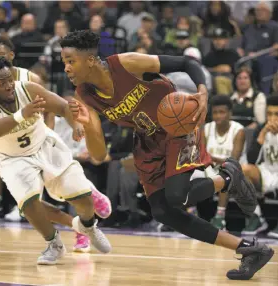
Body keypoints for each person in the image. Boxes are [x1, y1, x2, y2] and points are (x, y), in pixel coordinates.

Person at [60, 30, 274, 280]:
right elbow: (99, 154)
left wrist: (203, 92)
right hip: (147, 140)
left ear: (90, 60)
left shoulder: (126, 64)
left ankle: (227, 177)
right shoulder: (84, 96)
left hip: (179, 125)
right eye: (64, 61)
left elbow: (187, 63)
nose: (65, 68)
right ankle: (249, 250)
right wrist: (88, 125)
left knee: (176, 197)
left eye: (70, 61)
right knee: (163, 211)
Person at [0, 36, 111, 253]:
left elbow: (51, 108)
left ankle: (87, 192)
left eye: (1, 56)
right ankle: (72, 229)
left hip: (38, 138)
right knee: (31, 205)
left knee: (70, 189)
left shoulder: (28, 80)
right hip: (11, 150)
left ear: (11, 56)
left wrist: (68, 127)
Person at [203, 95, 245, 230]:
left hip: (235, 171)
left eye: (222, 112)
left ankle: (220, 217)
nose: (218, 116)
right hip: (210, 168)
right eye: (215, 112)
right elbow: (201, 155)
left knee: (225, 174)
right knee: (187, 173)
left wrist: (213, 159)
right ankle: (190, 212)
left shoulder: (238, 130)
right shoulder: (207, 128)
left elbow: (233, 161)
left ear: (230, 114)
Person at [241, 96, 278, 238]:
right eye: (269, 114)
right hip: (268, 171)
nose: (272, 118)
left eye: (276, 114)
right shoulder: (262, 128)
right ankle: (256, 216)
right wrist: (262, 135)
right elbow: (251, 160)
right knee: (244, 170)